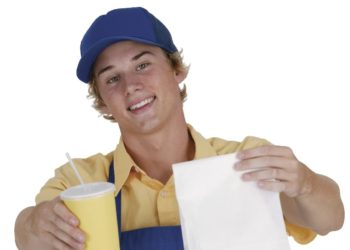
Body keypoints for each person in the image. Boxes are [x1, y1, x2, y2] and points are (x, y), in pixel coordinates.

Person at [14, 7, 344, 250]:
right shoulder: (79, 182)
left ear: (177, 70)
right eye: (112, 78)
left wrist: (305, 183)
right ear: (101, 102)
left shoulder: (245, 161)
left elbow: (330, 220)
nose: (131, 85)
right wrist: (32, 223)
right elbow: (28, 238)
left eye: (143, 64)